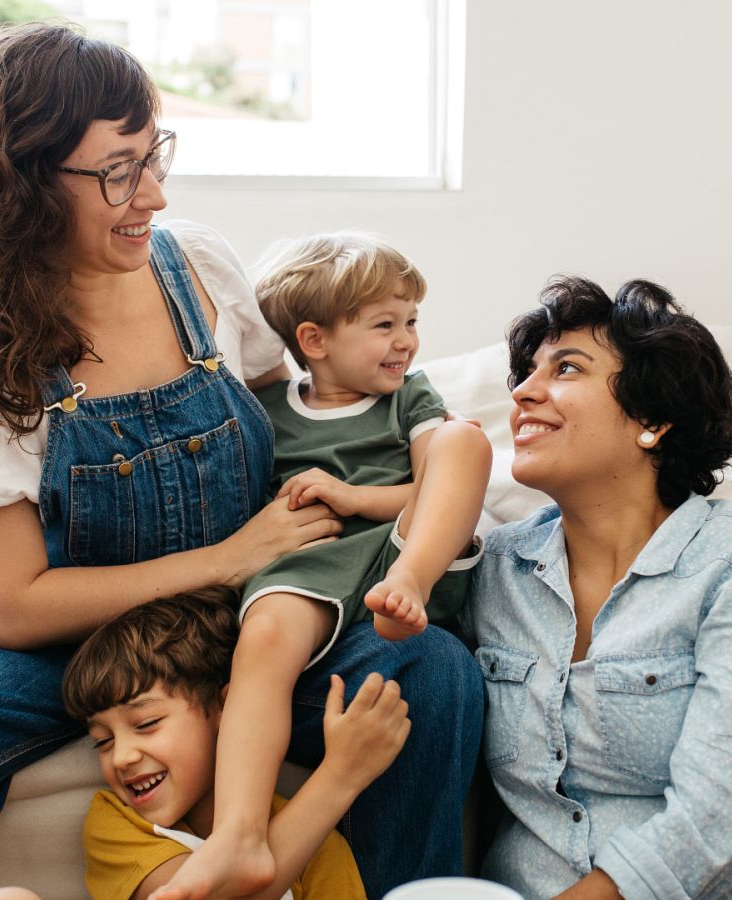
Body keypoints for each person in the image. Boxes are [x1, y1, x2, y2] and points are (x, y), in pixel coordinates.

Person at [0, 23, 483, 900]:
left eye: (154, 156)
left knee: (430, 675)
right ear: (23, 184)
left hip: (259, 614)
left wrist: (369, 509)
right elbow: (12, 608)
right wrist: (222, 557)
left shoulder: (203, 271)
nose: (154, 195)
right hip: (82, 641)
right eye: (117, 171)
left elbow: (288, 422)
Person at [465, 277, 732, 898]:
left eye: (565, 369)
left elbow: (719, 818)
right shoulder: (497, 569)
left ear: (653, 418)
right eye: (526, 374)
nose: (524, 394)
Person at [159, 233, 492, 899]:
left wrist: (357, 497)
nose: (407, 341)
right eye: (384, 325)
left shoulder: (411, 399)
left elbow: (438, 486)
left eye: (412, 322)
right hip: (314, 561)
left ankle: (411, 587)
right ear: (313, 340)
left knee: (463, 439)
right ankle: (239, 835)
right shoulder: (271, 413)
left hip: (403, 550)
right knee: (267, 638)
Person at [67, 586, 406, 900]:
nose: (122, 757)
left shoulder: (314, 840)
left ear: (227, 709)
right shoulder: (116, 824)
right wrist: (340, 777)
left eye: (146, 723)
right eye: (103, 741)